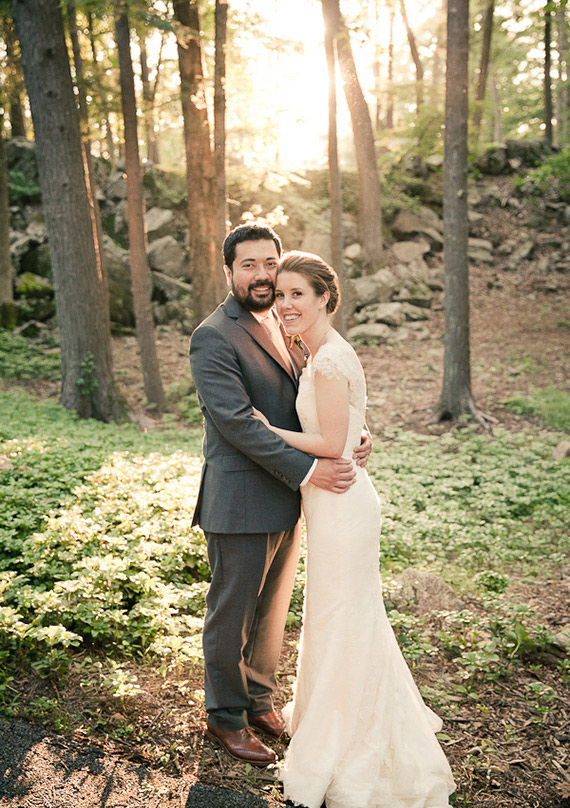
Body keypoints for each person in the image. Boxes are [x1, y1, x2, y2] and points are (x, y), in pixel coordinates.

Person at [252, 251, 456, 808]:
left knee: (342, 616)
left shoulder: (328, 361)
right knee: (337, 614)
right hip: (332, 501)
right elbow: (348, 428)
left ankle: (346, 735)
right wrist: (358, 437)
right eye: (281, 294)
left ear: (324, 297)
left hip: (342, 504)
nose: (286, 304)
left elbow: (328, 442)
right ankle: (333, 714)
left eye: (298, 294)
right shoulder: (317, 352)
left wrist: (268, 429)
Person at [189, 224, 372, 767]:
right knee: (233, 613)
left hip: (286, 497)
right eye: (249, 264)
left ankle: (259, 701)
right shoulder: (214, 335)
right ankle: (226, 717)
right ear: (229, 271)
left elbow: (312, 401)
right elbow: (237, 423)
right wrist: (312, 469)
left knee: (271, 611)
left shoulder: (284, 321)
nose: (263, 274)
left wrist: (355, 434)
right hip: (241, 497)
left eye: (269, 262)